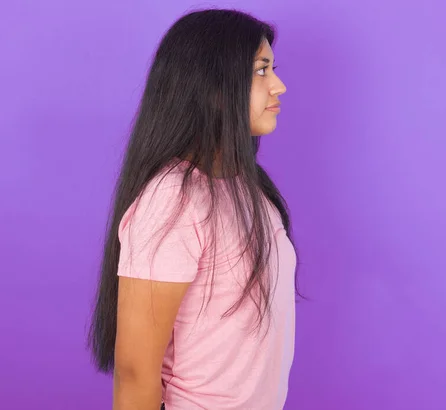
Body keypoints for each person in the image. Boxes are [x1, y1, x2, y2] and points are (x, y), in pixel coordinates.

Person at [88, 8, 301, 410]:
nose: (279, 86)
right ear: (214, 88)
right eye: (261, 70)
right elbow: (135, 373)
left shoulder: (249, 188)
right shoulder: (172, 199)